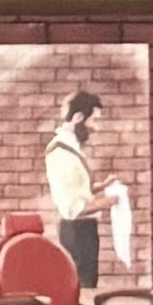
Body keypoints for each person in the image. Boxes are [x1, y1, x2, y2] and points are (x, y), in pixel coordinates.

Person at [43, 92, 107, 294]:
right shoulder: (61, 151)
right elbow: (72, 207)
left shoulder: (71, 147)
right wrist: (111, 201)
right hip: (78, 232)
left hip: (83, 231)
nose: (96, 128)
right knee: (82, 291)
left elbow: (77, 191)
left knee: (86, 285)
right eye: (94, 120)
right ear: (78, 117)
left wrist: (101, 188)